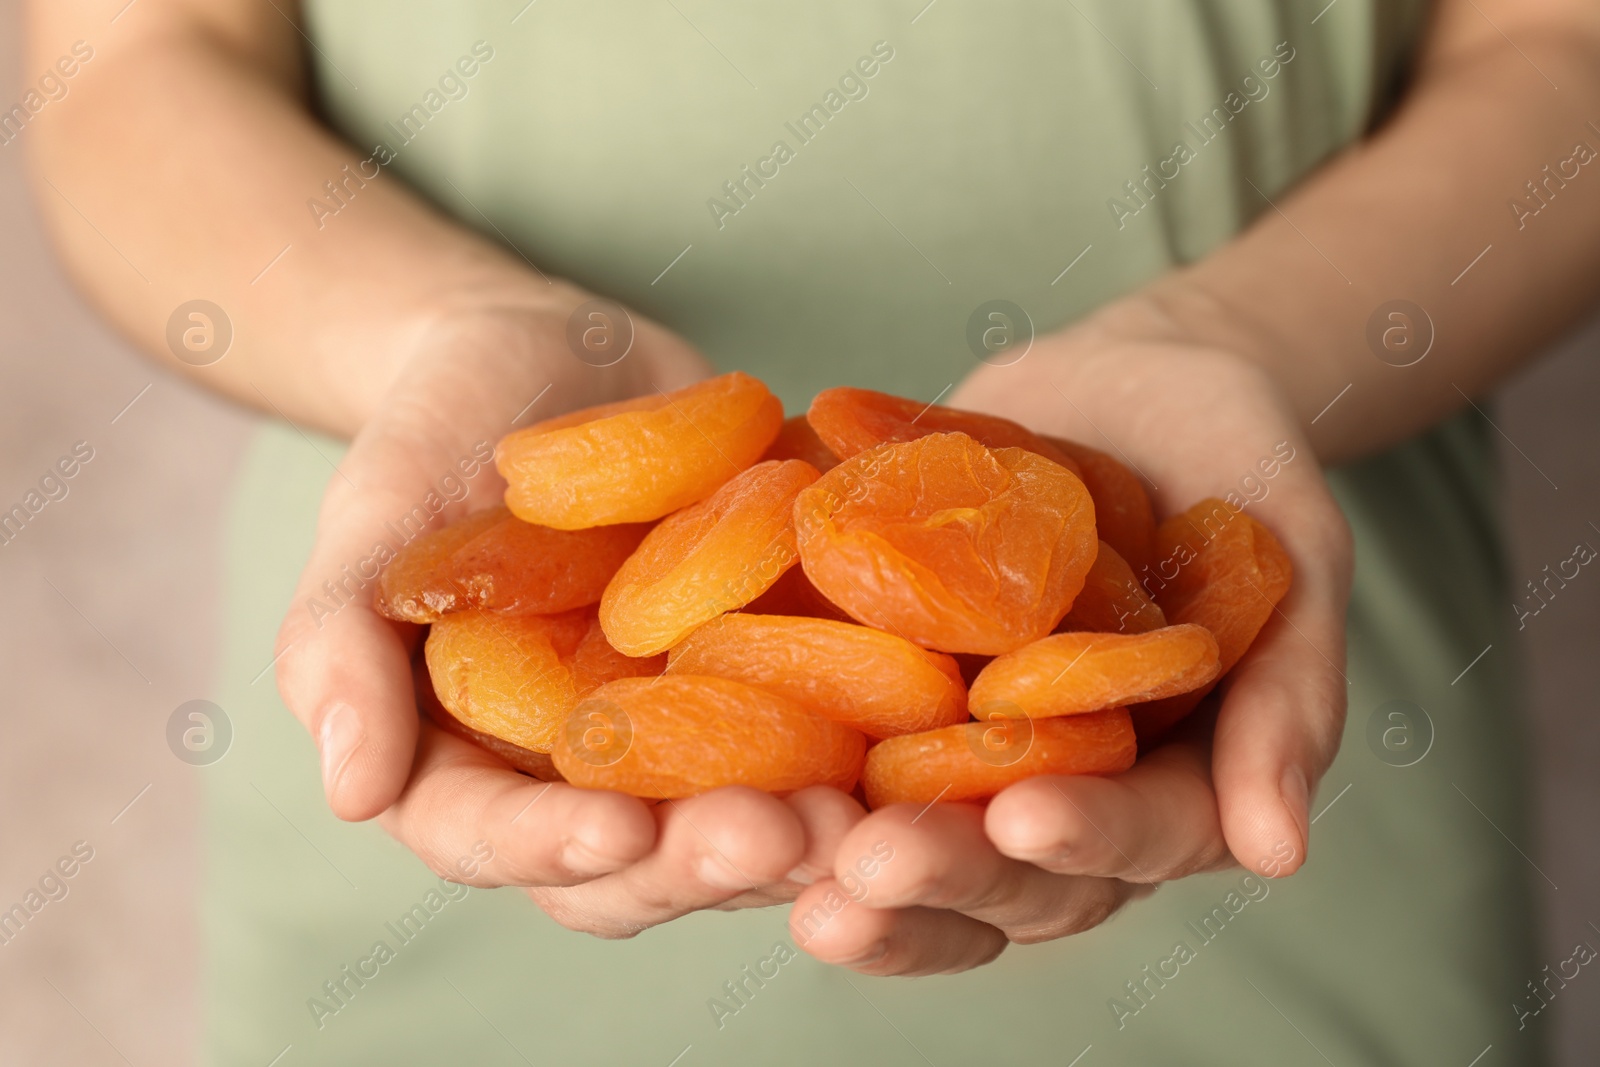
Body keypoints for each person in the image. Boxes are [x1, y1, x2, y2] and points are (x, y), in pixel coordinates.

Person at [26, 0, 1599, 1062]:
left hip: (1278, 800)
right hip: (454, 796)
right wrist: (443, 330)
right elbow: (129, 59)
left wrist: (1241, 342)